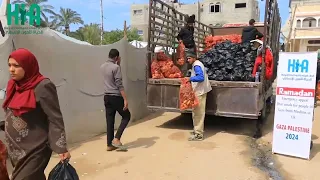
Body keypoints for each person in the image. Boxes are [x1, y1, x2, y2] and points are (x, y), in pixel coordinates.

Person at [1, 48, 71, 179]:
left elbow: (54, 118)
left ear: (28, 66)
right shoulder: (13, 85)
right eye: (9, 65)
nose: (11, 69)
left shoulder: (43, 86)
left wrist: (61, 147)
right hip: (17, 150)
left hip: (36, 148)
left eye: (16, 66)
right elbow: (16, 114)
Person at [101, 49, 131, 151]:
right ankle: (117, 139)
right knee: (127, 116)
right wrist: (125, 99)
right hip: (116, 96)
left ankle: (109, 144)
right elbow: (119, 84)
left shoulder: (103, 66)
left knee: (110, 120)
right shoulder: (116, 67)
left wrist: (118, 65)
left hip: (106, 96)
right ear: (116, 57)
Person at [184, 50, 212, 141]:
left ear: (194, 58)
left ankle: (198, 135)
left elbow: (200, 77)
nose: (188, 60)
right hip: (201, 91)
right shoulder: (197, 64)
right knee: (197, 113)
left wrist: (190, 79)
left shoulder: (196, 65)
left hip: (200, 92)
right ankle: (197, 130)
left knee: (198, 114)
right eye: (187, 58)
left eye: (189, 58)